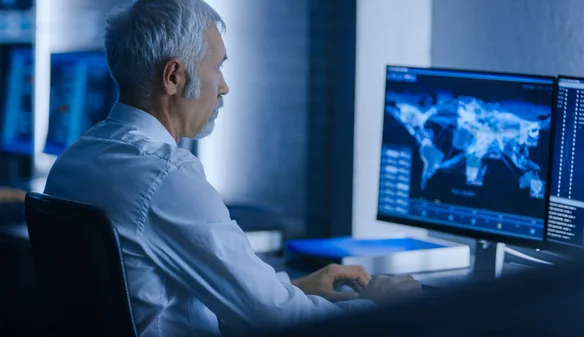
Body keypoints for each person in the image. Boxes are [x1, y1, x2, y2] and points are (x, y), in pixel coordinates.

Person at [44, 1, 421, 336]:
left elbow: (161, 298)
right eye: (217, 67)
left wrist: (293, 289)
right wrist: (376, 303)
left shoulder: (73, 161)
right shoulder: (166, 176)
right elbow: (278, 323)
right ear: (174, 76)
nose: (223, 87)